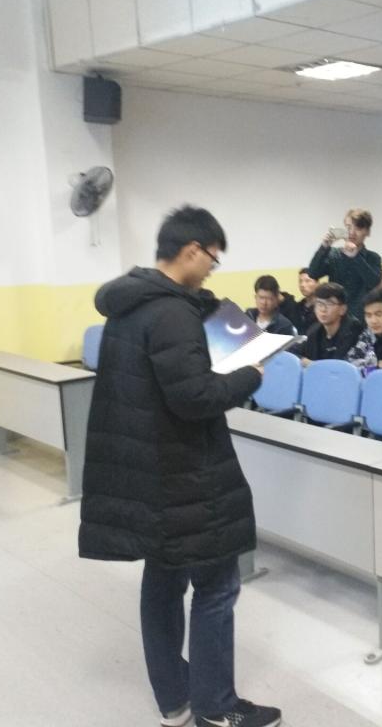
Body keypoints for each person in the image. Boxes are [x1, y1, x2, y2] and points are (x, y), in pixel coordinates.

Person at [79, 206, 280, 727]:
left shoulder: (132, 304)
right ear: (192, 250)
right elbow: (195, 397)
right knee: (216, 588)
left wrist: (207, 308)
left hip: (150, 471)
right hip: (186, 476)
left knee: (163, 583)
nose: (213, 268)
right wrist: (251, 375)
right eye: (213, 258)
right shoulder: (171, 314)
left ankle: (174, 699)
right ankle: (215, 709)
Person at [309, 208, 382, 315]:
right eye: (348, 227)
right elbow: (313, 273)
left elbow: (374, 283)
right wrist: (324, 247)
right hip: (335, 316)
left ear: (367, 232)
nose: (352, 232)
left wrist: (356, 257)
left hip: (361, 317)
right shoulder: (333, 254)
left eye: (358, 228)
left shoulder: (373, 258)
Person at [296, 282, 362, 364]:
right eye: (319, 304)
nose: (323, 309)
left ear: (342, 309)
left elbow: (339, 364)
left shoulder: (353, 330)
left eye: (329, 303)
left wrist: (313, 365)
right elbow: (295, 350)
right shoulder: (315, 331)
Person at [278, 267, 317, 335]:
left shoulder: (322, 308)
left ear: (317, 283)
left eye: (307, 281)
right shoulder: (298, 307)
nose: (302, 285)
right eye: (300, 281)